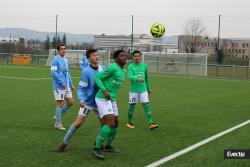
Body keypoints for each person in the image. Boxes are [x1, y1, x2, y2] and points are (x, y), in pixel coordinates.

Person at [57, 49, 105, 152]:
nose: (96, 56)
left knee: (104, 124)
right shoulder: (86, 71)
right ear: (89, 59)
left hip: (100, 101)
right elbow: (81, 88)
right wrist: (82, 99)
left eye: (97, 55)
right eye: (93, 55)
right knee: (78, 123)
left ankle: (98, 143)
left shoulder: (103, 69)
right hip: (88, 102)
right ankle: (63, 144)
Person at [91, 50, 127, 160]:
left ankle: (108, 146)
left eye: (125, 56)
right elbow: (97, 77)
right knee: (110, 122)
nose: (124, 57)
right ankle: (96, 148)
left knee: (115, 123)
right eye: (121, 56)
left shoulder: (124, 71)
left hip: (112, 99)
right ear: (116, 58)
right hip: (102, 97)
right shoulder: (112, 67)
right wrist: (104, 90)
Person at [126, 50, 158, 130]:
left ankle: (151, 123)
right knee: (132, 105)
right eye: (135, 56)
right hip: (134, 90)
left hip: (143, 89)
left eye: (138, 56)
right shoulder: (130, 67)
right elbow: (130, 76)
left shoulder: (144, 66)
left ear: (141, 57)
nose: (137, 57)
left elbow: (146, 77)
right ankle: (129, 122)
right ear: (133, 57)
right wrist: (137, 79)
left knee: (146, 104)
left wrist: (148, 88)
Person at [51, 43, 75, 130]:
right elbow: (53, 73)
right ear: (58, 50)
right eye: (61, 49)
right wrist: (61, 82)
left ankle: (58, 115)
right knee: (60, 103)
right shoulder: (55, 59)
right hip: (59, 86)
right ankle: (57, 123)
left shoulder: (65, 60)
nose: (63, 50)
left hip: (67, 85)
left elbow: (67, 73)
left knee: (70, 103)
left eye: (64, 48)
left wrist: (71, 84)